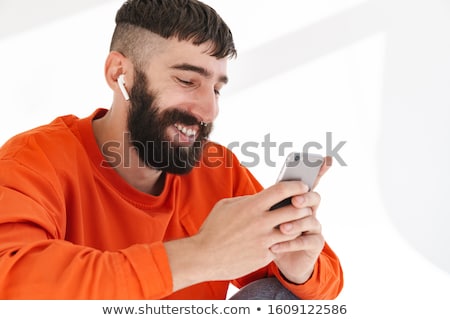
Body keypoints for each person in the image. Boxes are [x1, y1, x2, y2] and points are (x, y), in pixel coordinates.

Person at [0, 0, 343, 299]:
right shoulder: (33, 160)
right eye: (186, 81)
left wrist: (297, 268)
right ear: (120, 73)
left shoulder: (218, 170)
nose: (210, 111)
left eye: (216, 89)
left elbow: (328, 279)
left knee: (280, 296)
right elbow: (12, 282)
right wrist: (200, 254)